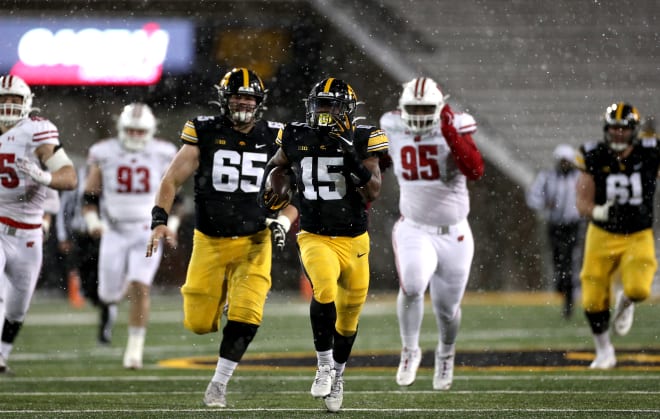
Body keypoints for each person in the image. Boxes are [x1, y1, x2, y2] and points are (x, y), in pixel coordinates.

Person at [146, 67, 298, 407]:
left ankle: (219, 383)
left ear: (259, 102)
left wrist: (284, 222)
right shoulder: (204, 130)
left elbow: (296, 194)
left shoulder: (277, 136)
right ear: (223, 99)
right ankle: (225, 297)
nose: (242, 102)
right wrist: (159, 220)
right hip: (210, 241)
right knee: (199, 323)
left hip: (255, 241)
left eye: (249, 97)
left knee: (247, 315)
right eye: (236, 96)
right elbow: (171, 179)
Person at [260, 77, 389, 412]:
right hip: (315, 233)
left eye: (331, 105)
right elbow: (277, 167)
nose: (324, 111)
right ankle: (323, 364)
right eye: (320, 104)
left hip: (354, 239)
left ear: (346, 109)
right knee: (324, 290)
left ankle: (339, 375)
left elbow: (373, 190)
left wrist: (348, 153)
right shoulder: (297, 134)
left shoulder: (363, 138)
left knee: (348, 319)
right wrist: (278, 185)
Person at [379, 77, 483, 391]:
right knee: (411, 286)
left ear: (439, 107)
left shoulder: (456, 125)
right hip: (414, 227)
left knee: (447, 310)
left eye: (427, 108)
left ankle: (446, 354)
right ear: (403, 107)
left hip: (454, 233)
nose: (421, 114)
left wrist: (449, 130)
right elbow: (382, 160)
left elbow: (475, 169)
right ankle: (410, 350)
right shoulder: (391, 125)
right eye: (415, 108)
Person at [82, 102, 179, 368]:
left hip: (147, 230)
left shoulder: (163, 152)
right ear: (121, 128)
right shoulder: (104, 151)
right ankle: (114, 297)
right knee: (108, 294)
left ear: (150, 130)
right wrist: (92, 220)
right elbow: (90, 193)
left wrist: (174, 224)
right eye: (131, 130)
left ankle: (134, 350)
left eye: (140, 131)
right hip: (114, 230)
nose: (135, 135)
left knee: (141, 285)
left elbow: (175, 193)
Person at [0, 74, 78, 373]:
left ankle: (3, 352)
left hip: (28, 232)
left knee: (17, 308)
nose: (8, 105)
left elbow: (69, 177)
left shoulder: (36, 131)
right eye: (3, 98)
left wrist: (43, 177)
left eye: (14, 99)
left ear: (26, 103)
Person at [575, 102, 659, 369]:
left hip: (637, 233)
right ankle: (604, 351)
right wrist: (599, 212)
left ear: (633, 130)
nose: (618, 134)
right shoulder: (595, 154)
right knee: (591, 295)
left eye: (624, 129)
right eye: (614, 128)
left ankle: (626, 302)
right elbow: (582, 201)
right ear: (606, 129)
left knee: (638, 288)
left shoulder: (649, 153)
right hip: (602, 234)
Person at [526, 144, 583, 318]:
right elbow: (532, 197)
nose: (564, 164)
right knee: (558, 260)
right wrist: (544, 203)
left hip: (574, 225)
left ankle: (569, 301)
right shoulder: (547, 177)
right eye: (562, 161)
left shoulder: (579, 178)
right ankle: (562, 284)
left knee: (569, 261)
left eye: (567, 161)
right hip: (555, 225)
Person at [56, 166, 110, 337]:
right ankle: (103, 303)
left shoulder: (108, 178)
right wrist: (63, 236)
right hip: (80, 236)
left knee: (100, 278)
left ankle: (107, 314)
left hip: (101, 236)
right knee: (85, 282)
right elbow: (63, 208)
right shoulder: (75, 178)